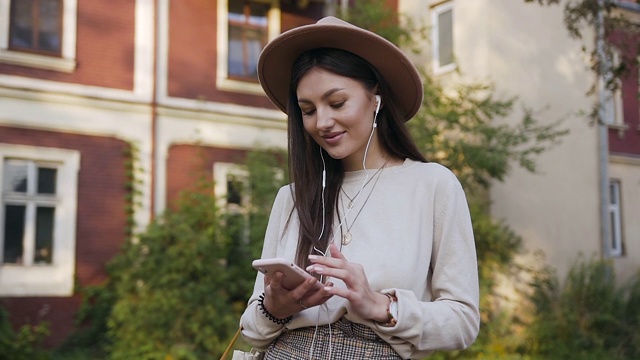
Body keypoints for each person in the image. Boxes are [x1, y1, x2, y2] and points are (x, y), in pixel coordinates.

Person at [239, 16, 479, 359]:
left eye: (336, 103)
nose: (322, 122)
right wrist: (273, 309)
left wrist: (381, 305)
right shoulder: (291, 198)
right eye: (308, 111)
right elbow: (251, 328)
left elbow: (463, 321)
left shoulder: (433, 185)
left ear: (375, 97)